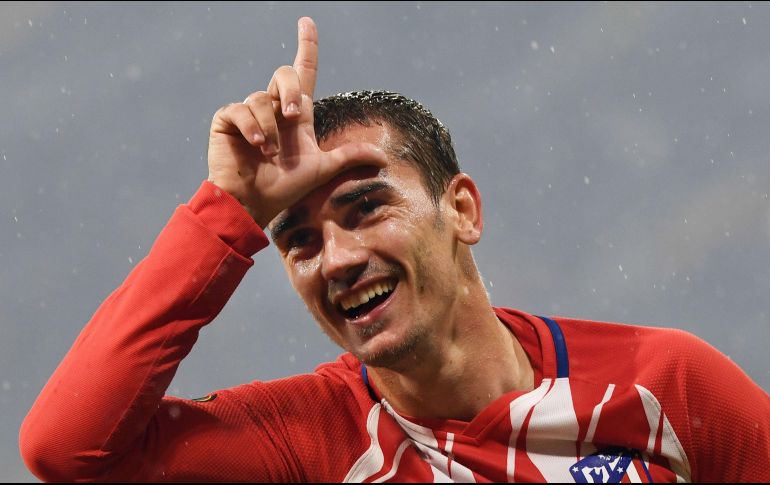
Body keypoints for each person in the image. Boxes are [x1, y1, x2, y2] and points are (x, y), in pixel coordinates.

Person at [19, 17, 770, 483]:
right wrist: (230, 211)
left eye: (366, 208)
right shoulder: (307, 441)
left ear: (462, 210)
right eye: (300, 241)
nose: (338, 258)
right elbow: (68, 451)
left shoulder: (666, 384)